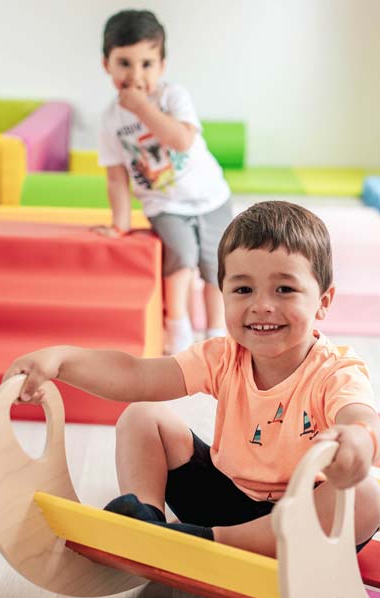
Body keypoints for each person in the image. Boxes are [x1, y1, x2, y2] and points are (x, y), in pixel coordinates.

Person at [5, 201, 380, 557]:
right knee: (142, 416)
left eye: (284, 289)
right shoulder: (222, 356)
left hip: (301, 520)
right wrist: (63, 360)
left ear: (323, 301)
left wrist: (357, 439)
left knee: (364, 496)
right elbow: (136, 376)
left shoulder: (334, 371)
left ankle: (198, 543)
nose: (261, 305)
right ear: (222, 295)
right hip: (224, 500)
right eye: (243, 289)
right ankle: (147, 521)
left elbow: (363, 419)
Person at [95, 9, 233, 355]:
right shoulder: (110, 119)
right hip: (165, 204)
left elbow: (182, 140)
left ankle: (216, 332)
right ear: (106, 65)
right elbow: (116, 176)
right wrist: (120, 224)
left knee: (217, 269)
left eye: (146, 64)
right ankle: (178, 327)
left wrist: (143, 109)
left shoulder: (172, 97)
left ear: (162, 66)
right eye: (124, 63)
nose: (135, 75)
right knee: (182, 258)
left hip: (211, 197)